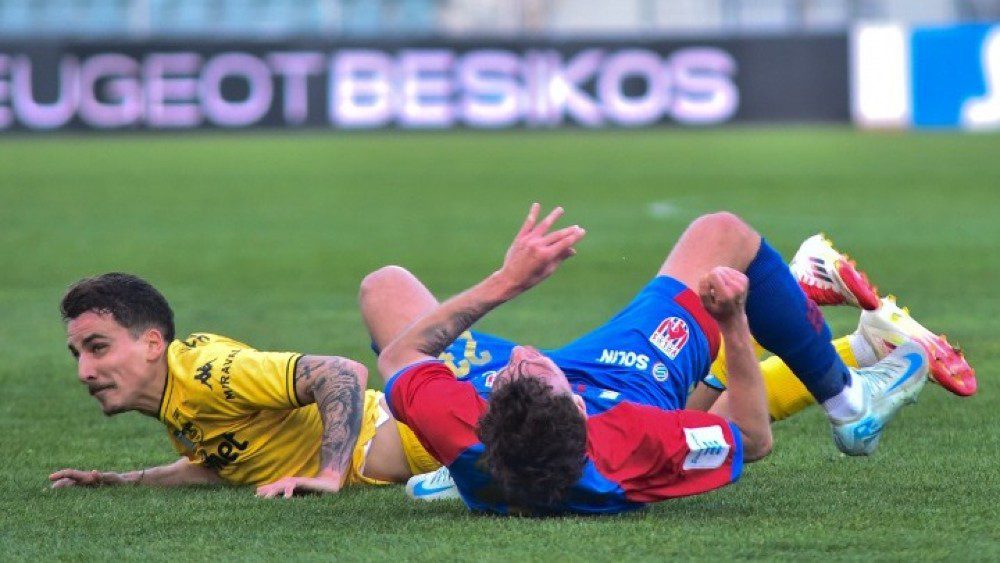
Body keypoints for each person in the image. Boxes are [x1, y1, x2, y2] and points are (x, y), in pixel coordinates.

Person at [374, 204, 931, 514]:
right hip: (629, 379)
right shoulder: (630, 442)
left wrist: (507, 281)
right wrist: (734, 322)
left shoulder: (463, 425)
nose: (525, 350)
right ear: (579, 407)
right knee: (722, 233)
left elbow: (399, 354)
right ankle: (849, 402)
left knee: (385, 288)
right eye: (536, 365)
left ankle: (458, 474)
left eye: (509, 373)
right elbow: (752, 438)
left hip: (511, 447)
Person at [49, 273, 439, 497]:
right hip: (425, 433)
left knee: (383, 285)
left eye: (98, 348)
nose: (84, 371)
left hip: (421, 435)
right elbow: (223, 466)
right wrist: (119, 480)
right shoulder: (173, 395)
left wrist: (329, 476)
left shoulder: (210, 373)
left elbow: (341, 373)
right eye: (77, 354)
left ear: (152, 344)